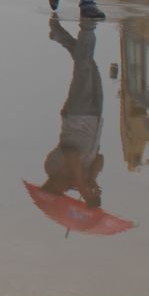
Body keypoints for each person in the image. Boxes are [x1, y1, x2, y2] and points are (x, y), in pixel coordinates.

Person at [38, 16, 106, 209]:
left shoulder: (52, 167)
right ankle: (60, 36)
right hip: (95, 119)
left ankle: (87, 26)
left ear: (50, 185)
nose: (64, 190)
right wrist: (91, 178)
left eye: (58, 191)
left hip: (77, 113)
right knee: (89, 65)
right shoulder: (79, 179)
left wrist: (81, 183)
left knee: (84, 64)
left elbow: (72, 153)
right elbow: (100, 158)